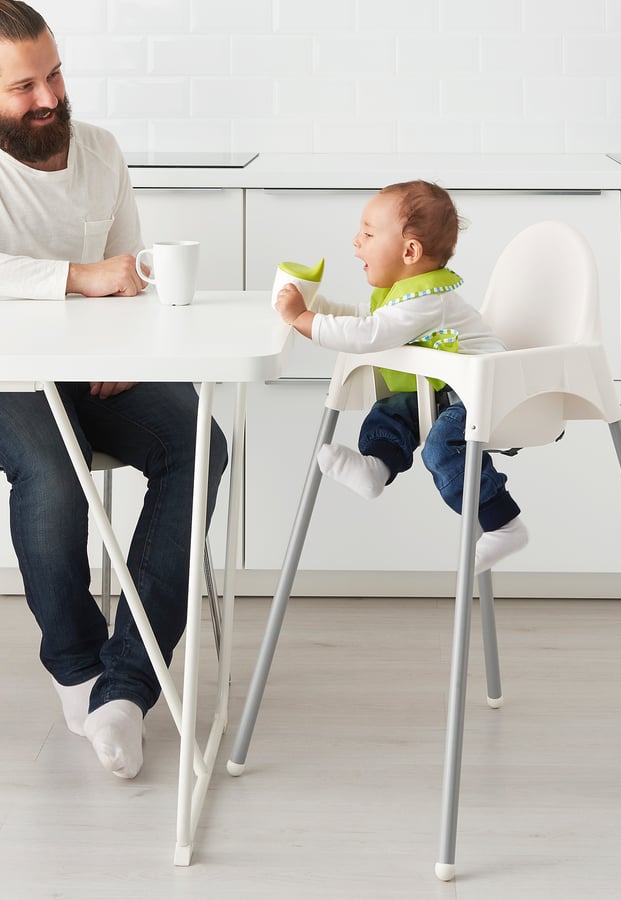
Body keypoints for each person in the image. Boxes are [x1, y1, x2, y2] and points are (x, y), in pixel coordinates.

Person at [0, 2, 227, 779]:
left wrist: (131, 334)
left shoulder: (99, 150)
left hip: (94, 369)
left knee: (199, 443)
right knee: (52, 474)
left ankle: (126, 685)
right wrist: (75, 278)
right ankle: (76, 668)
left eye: (55, 73)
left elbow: (129, 264)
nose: (48, 99)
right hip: (5, 379)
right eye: (22, 86)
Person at [275, 179, 528, 574]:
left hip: (487, 394)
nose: (355, 241)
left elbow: (369, 334)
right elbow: (366, 317)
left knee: (442, 447)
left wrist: (303, 319)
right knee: (393, 407)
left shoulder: (427, 301)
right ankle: (377, 466)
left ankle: (503, 523)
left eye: (368, 233)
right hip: (449, 392)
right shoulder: (405, 296)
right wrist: (318, 307)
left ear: (410, 251)